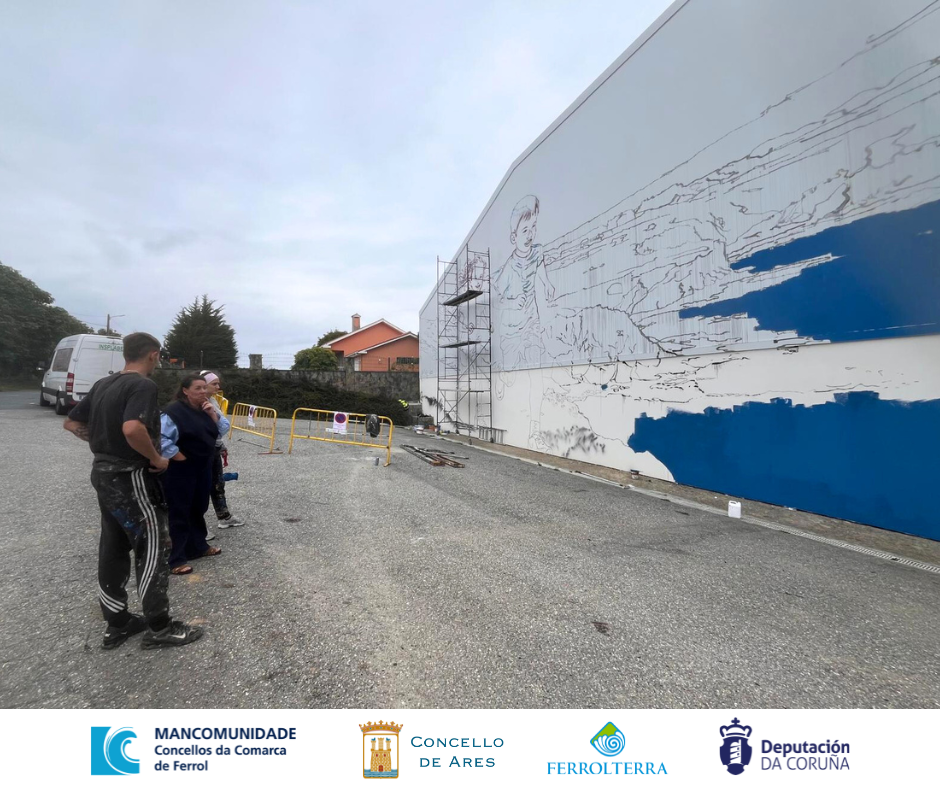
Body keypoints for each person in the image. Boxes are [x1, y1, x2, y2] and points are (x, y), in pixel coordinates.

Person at [63, 332, 204, 650]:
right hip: (133, 477)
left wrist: (105, 444)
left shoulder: (104, 384)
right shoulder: (142, 385)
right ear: (153, 354)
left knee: (113, 546)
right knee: (153, 545)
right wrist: (157, 458)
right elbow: (132, 428)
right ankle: (159, 627)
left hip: (103, 474)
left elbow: (71, 423)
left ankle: (118, 622)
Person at [160, 375, 223, 575]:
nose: (203, 391)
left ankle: (198, 546)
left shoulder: (205, 408)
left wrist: (213, 414)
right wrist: (178, 456)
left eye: (204, 387)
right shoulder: (173, 411)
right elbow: (160, 437)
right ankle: (175, 558)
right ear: (185, 391)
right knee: (179, 510)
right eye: (198, 388)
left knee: (199, 506)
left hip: (202, 466)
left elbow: (221, 430)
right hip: (181, 469)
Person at [199, 370, 243, 529]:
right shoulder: (201, 404)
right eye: (214, 384)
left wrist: (220, 444)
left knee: (217, 483)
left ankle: (224, 516)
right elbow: (220, 426)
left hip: (214, 447)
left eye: (218, 383)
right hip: (204, 449)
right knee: (201, 486)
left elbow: (220, 427)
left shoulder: (212, 401)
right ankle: (196, 527)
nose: (218, 387)